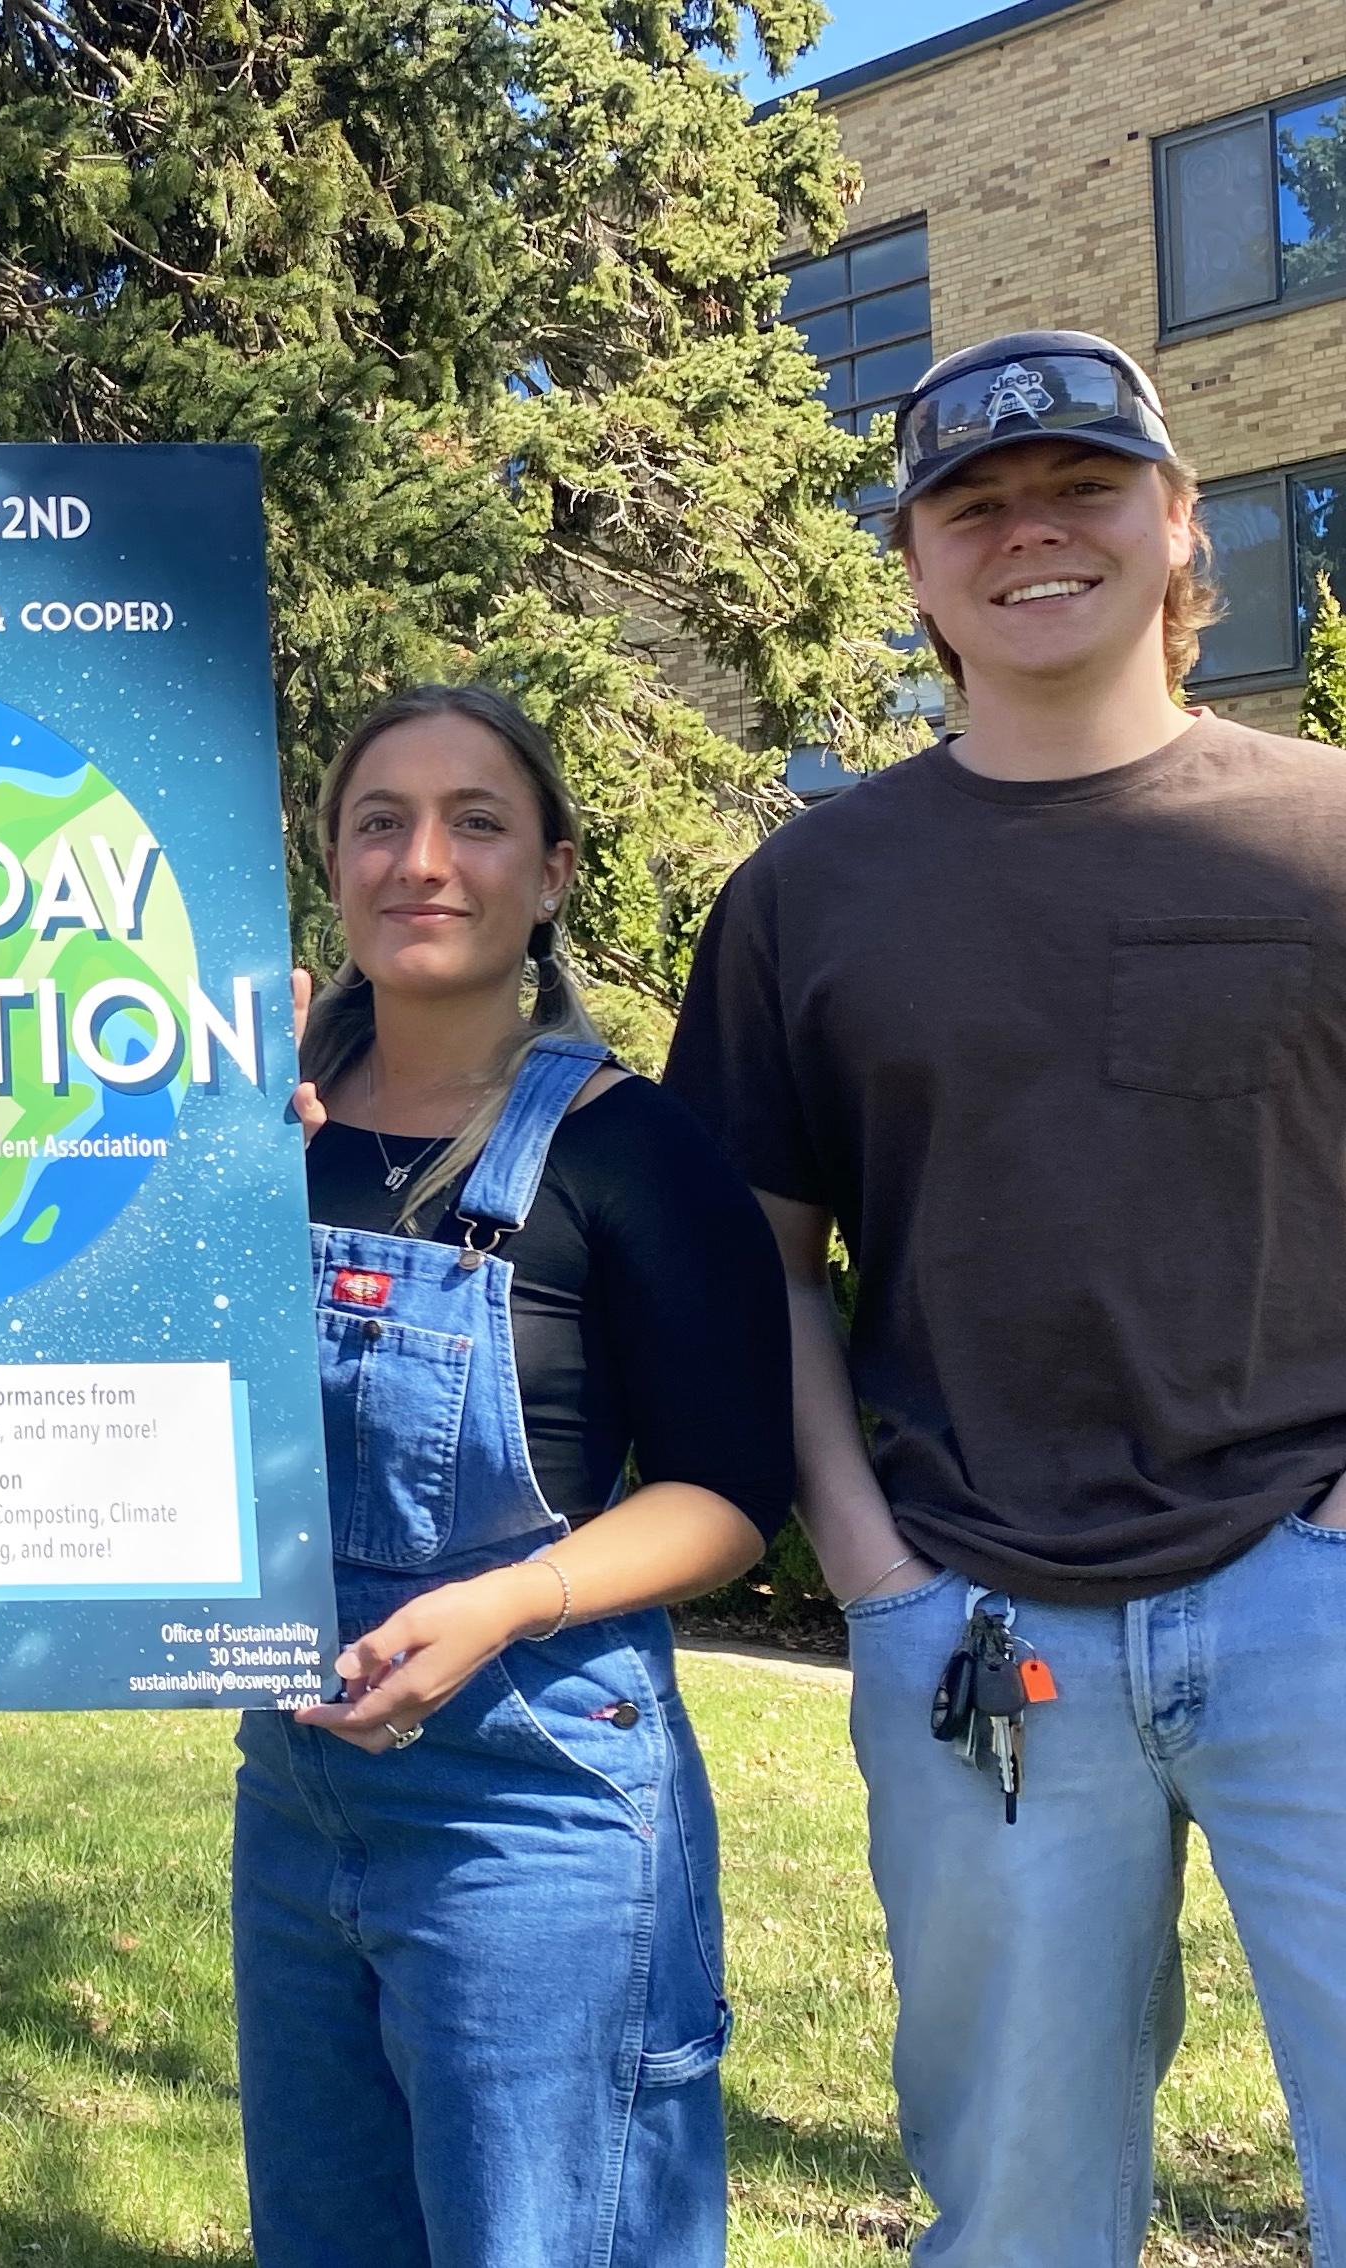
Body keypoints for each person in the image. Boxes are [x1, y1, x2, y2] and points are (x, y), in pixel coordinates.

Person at [666, 326, 1346, 2264]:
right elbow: (764, 1272)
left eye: (1080, 488)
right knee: (1020, 2212)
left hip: (1324, 1608)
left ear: (1177, 522)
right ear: (916, 565)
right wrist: (876, 1575)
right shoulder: (814, 892)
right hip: (984, 1632)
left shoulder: (1330, 830)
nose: (1031, 534)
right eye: (976, 505)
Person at [234, 683, 793, 2265]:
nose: (426, 860)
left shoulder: (634, 1148)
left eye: (477, 822)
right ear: (330, 862)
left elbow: (732, 1490)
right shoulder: (247, 1126)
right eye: (380, 823)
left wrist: (503, 1604)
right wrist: (171, 1128)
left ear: (549, 873)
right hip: (290, 1793)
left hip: (533, 1800)